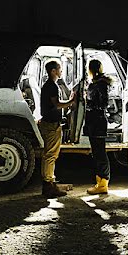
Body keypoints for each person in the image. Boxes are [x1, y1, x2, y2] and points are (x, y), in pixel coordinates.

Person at [38, 60, 75, 198]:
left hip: (47, 123)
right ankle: (49, 185)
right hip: (52, 125)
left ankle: (48, 183)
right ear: (53, 71)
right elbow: (57, 104)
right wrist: (71, 102)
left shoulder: (47, 85)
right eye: (59, 69)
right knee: (51, 155)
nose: (61, 71)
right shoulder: (52, 86)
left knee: (47, 154)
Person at [84, 59, 111, 194]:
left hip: (98, 121)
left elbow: (103, 104)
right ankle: (100, 182)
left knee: (100, 153)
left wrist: (89, 104)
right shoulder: (96, 82)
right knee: (97, 153)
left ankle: (103, 184)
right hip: (94, 121)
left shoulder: (100, 84)